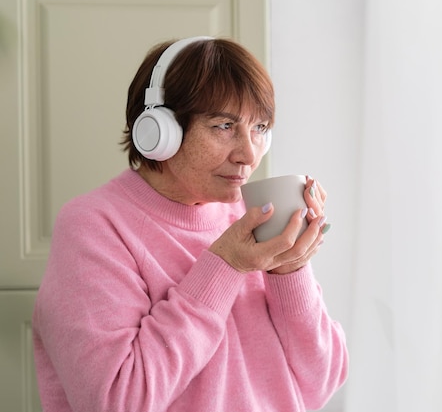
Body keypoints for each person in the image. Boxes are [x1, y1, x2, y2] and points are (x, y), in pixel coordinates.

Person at [32, 36, 349, 412]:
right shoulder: (94, 227)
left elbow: (322, 382)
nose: (249, 154)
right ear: (159, 131)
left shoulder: (250, 221)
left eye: (260, 128)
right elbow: (119, 400)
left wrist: (290, 271)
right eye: (224, 126)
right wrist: (226, 266)